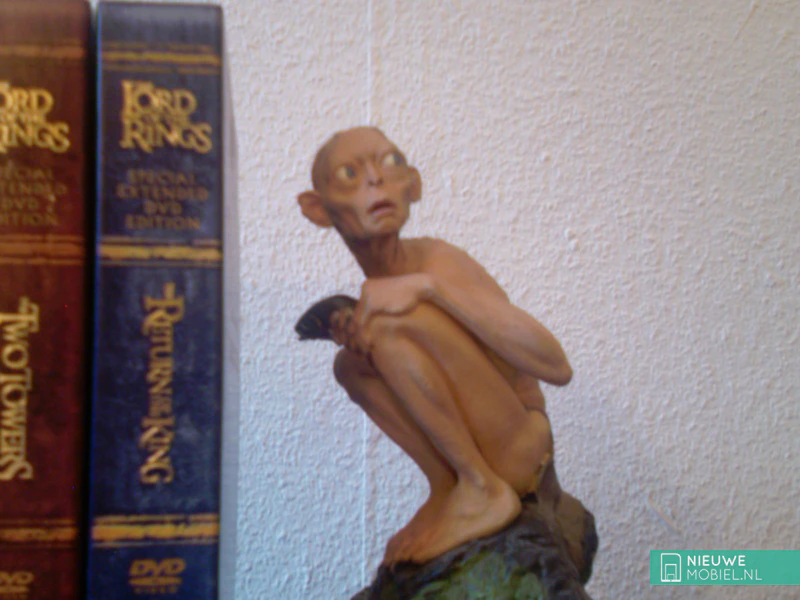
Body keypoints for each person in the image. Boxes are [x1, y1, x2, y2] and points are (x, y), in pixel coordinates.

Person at [297, 126, 573, 566]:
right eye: (350, 174)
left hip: (521, 449)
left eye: (391, 164)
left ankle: (482, 487)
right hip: (487, 442)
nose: (375, 180)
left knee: (386, 327)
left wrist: (430, 288)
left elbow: (556, 366)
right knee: (349, 365)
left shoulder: (439, 263)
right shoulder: (382, 284)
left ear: (414, 186)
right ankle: (449, 486)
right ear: (317, 209)